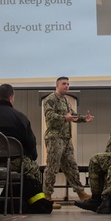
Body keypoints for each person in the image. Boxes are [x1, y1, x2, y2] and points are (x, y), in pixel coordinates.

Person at [41, 77, 93, 205]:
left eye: (68, 84)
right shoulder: (50, 99)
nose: (67, 86)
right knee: (52, 167)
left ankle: (81, 192)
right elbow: (49, 116)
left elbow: (72, 116)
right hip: (55, 138)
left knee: (71, 166)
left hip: (66, 139)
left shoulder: (66, 101)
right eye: (64, 84)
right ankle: (47, 197)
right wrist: (64, 117)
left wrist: (83, 119)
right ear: (57, 85)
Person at [0, 84, 42, 185]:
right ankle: (17, 194)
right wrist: (31, 156)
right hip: (12, 162)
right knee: (33, 169)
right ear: (11, 98)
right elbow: (31, 147)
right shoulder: (20, 118)